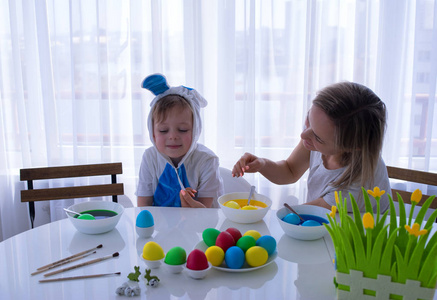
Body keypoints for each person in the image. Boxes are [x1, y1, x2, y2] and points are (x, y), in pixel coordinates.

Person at [232, 82, 390, 212]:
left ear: (351, 147)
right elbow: (290, 170)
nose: (304, 135)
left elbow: (301, 214)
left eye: (318, 137)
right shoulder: (317, 136)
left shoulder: (360, 182)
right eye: (309, 119)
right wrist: (263, 164)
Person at [136, 74, 224, 208]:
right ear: (153, 133)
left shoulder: (207, 160)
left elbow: (207, 213)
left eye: (182, 130)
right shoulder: (150, 157)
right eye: (163, 131)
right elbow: (143, 208)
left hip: (199, 226)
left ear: (195, 131)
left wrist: (189, 205)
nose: (173, 137)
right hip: (159, 227)